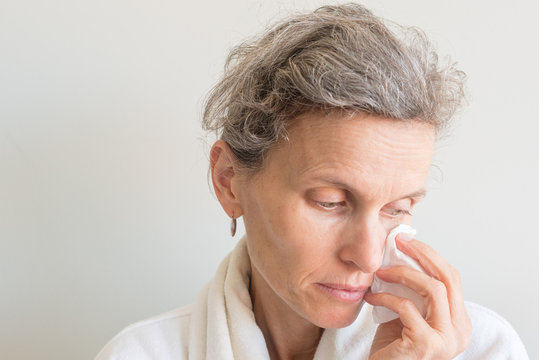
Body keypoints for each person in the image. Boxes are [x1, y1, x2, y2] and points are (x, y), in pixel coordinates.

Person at [95, 3, 529, 359]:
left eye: (397, 209)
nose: (367, 257)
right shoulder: (142, 353)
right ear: (229, 181)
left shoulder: (483, 349)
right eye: (330, 202)